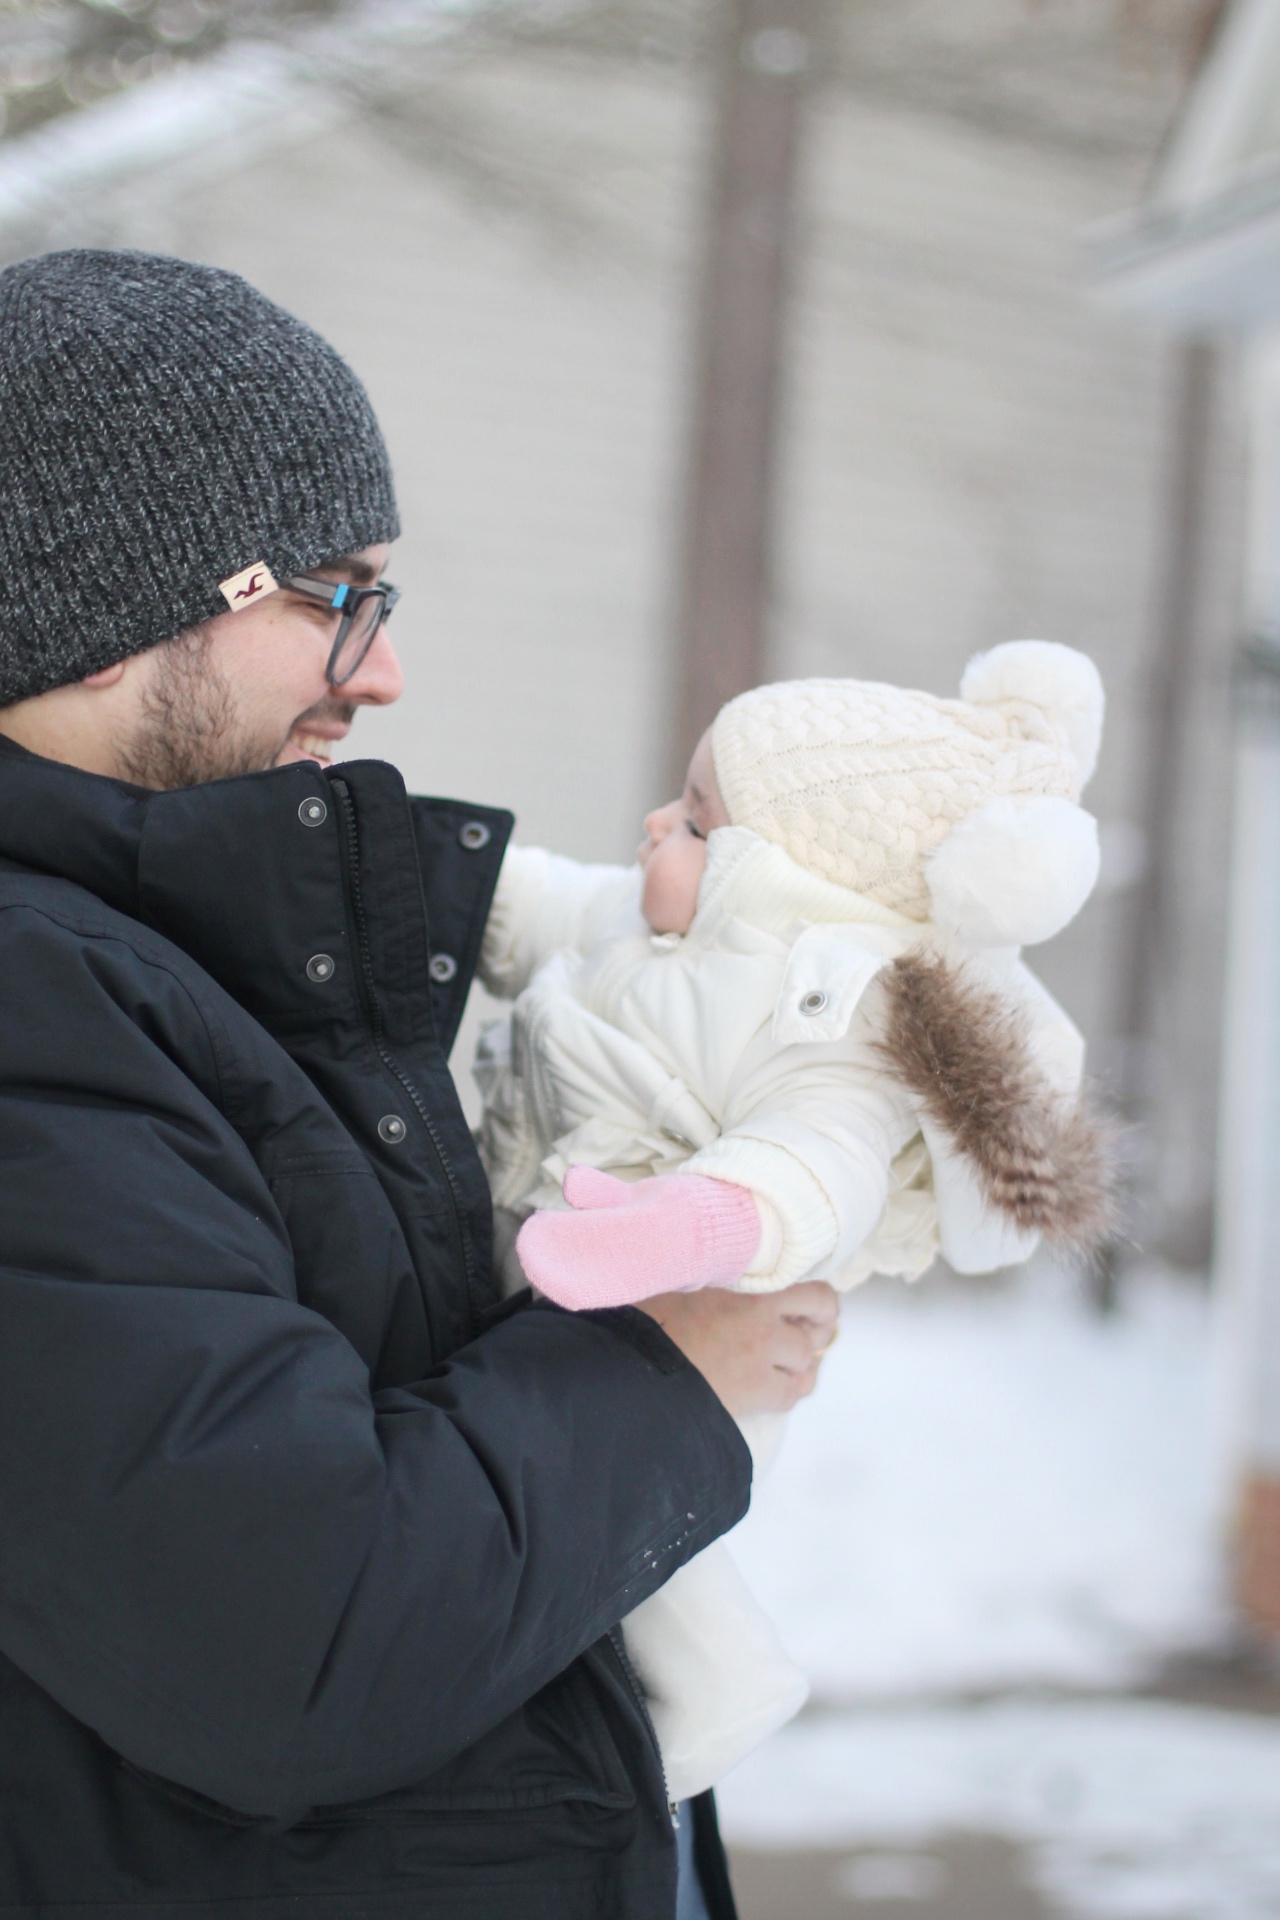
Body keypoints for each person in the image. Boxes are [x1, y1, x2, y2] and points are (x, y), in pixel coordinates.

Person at [0, 247, 839, 1920]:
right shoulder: (38, 1006)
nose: (379, 673)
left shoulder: (154, 962)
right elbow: (277, 1637)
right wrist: (661, 1374)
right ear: (106, 604)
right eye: (334, 593)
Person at [475, 651, 1114, 1800]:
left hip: (685, 1345)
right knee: (556, 1541)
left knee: (633, 1561)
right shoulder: (644, 921)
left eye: (695, 819)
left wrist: (669, 1233)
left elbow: (812, 1173)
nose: (654, 822)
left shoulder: (828, 1025)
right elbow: (534, 900)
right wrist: (437, 870)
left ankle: (724, 1689)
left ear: (777, 875)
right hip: (558, 1286)